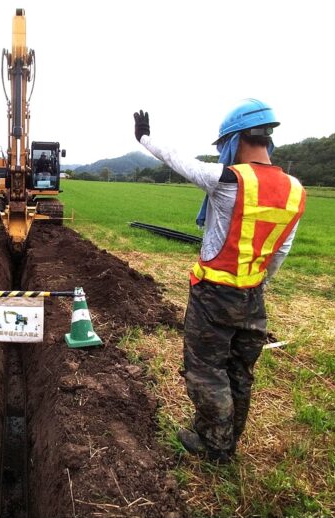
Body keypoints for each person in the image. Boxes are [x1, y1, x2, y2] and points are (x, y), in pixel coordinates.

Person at [133, 99, 306, 463]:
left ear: (234, 140)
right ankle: (228, 441)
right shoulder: (295, 189)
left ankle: (214, 445)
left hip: (214, 294)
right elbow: (281, 250)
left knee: (207, 371)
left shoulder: (229, 179)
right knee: (239, 370)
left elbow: (179, 161)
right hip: (253, 296)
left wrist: (145, 138)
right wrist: (258, 282)